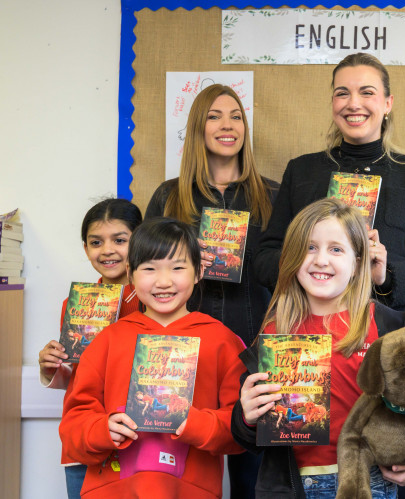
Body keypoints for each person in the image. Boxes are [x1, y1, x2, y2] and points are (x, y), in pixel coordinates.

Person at [145, 84, 276, 497]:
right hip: (182, 357)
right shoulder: (169, 196)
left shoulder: (272, 195)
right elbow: (146, 277)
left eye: (236, 116)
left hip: (254, 351)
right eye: (215, 116)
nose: (227, 125)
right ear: (198, 127)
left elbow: (292, 275)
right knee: (179, 475)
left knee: (252, 475)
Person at [58, 217, 246, 498]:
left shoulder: (222, 341)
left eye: (178, 268)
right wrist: (103, 429)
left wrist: (195, 424)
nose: (164, 281)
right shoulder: (107, 340)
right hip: (111, 490)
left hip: (191, 490)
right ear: (130, 272)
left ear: (198, 272)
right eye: (149, 269)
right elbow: (73, 425)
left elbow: (240, 429)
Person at [231, 198, 404, 498]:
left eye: (336, 249)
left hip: (369, 481)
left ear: (358, 262)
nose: (321, 259)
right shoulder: (275, 331)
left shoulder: (384, 326)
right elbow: (250, 436)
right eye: (310, 247)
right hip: (290, 485)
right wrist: (246, 417)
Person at [253, 52, 405, 311]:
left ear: (388, 103)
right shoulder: (300, 171)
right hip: (308, 329)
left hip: (387, 335)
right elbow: (265, 258)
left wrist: (386, 276)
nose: (353, 103)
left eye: (367, 93)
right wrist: (304, 259)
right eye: (342, 93)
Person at [37, 198, 142, 499]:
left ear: (140, 240)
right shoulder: (75, 306)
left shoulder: (157, 303)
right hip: (85, 435)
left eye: (119, 240)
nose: (107, 250)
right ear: (86, 249)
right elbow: (76, 374)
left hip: (138, 434)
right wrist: (51, 366)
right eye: (96, 242)